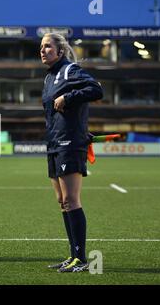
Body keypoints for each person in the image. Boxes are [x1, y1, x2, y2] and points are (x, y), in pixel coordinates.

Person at [40, 33, 103, 272]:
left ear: (60, 51)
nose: (43, 50)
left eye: (48, 46)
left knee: (71, 200)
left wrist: (68, 96)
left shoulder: (70, 70)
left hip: (69, 144)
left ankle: (81, 259)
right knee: (62, 201)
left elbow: (96, 90)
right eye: (41, 47)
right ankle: (73, 255)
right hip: (55, 144)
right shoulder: (49, 77)